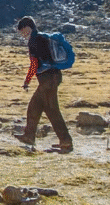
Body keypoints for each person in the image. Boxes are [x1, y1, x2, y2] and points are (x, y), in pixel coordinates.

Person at [13, 16, 73, 152]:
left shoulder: (34, 40)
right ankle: (30, 136)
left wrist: (27, 80)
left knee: (51, 111)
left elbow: (34, 64)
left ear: (27, 28)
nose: (22, 34)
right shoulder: (42, 37)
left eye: (22, 31)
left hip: (47, 80)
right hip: (53, 77)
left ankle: (66, 142)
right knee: (37, 108)